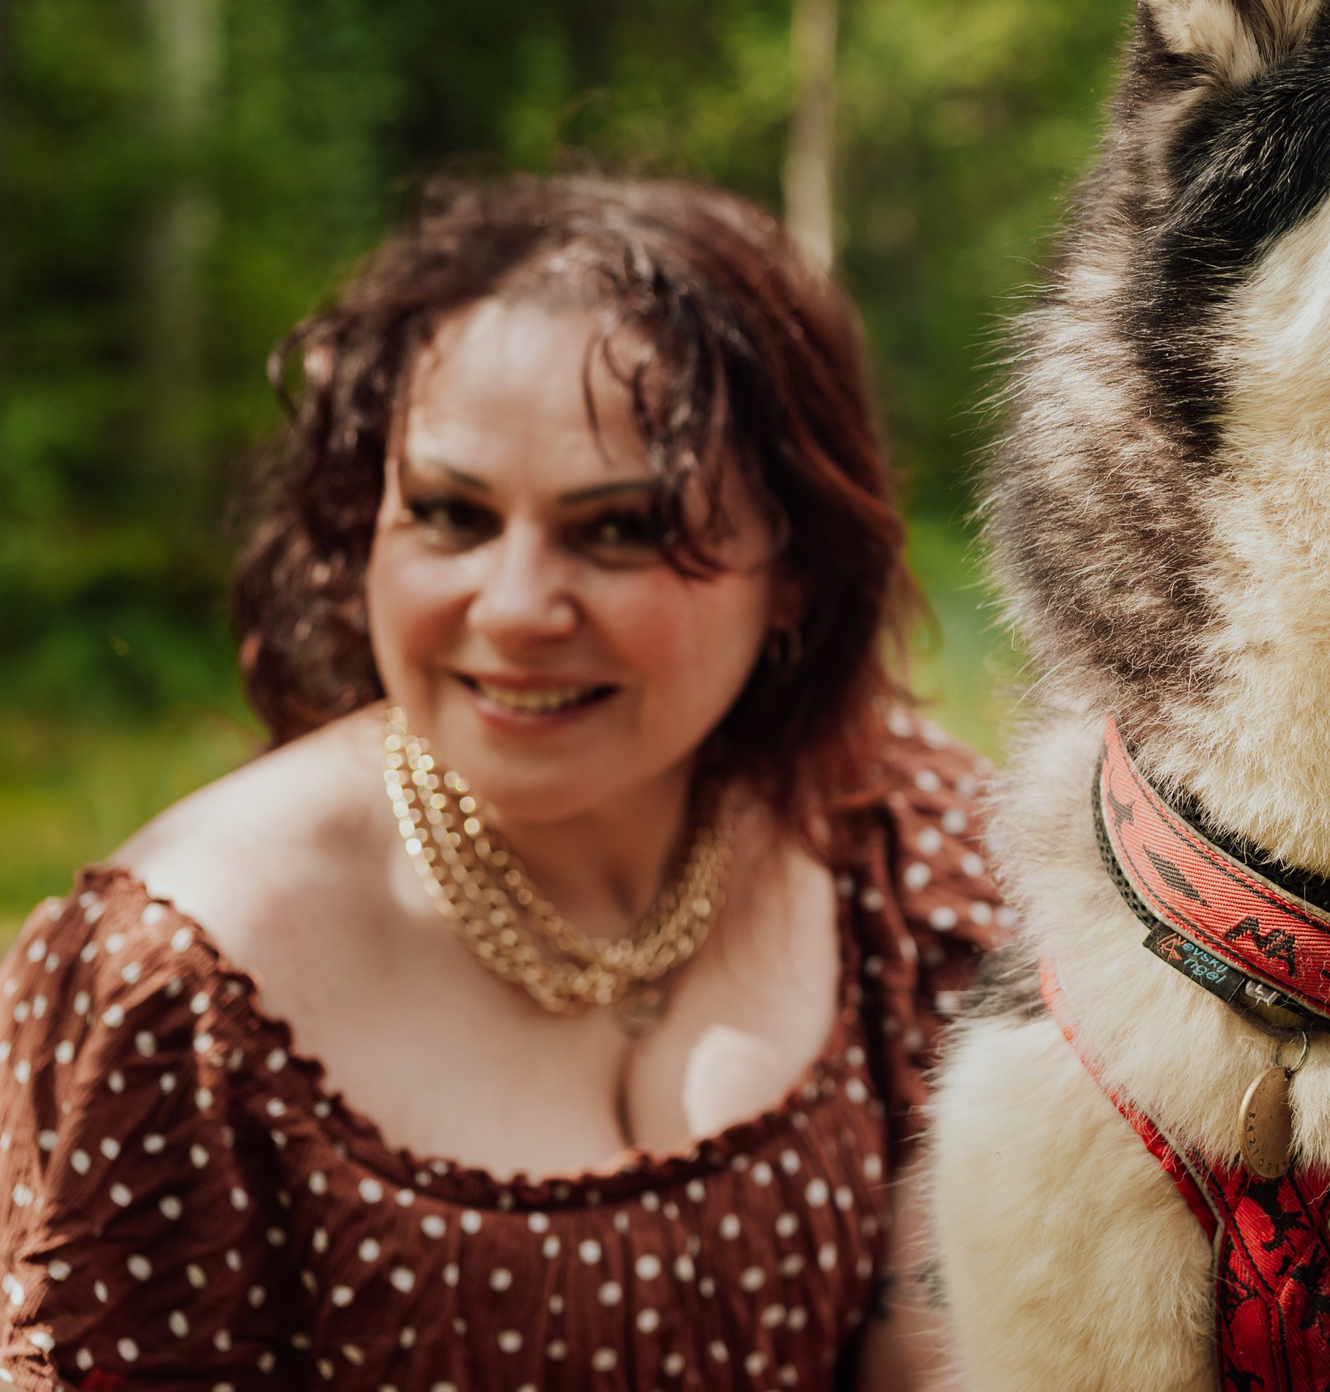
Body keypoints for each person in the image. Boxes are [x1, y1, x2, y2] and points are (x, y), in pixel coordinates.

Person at [0, 176, 1006, 1390]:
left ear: (794, 567)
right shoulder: (181, 986)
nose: (517, 607)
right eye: (449, 513)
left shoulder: (901, 845)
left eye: (621, 528)